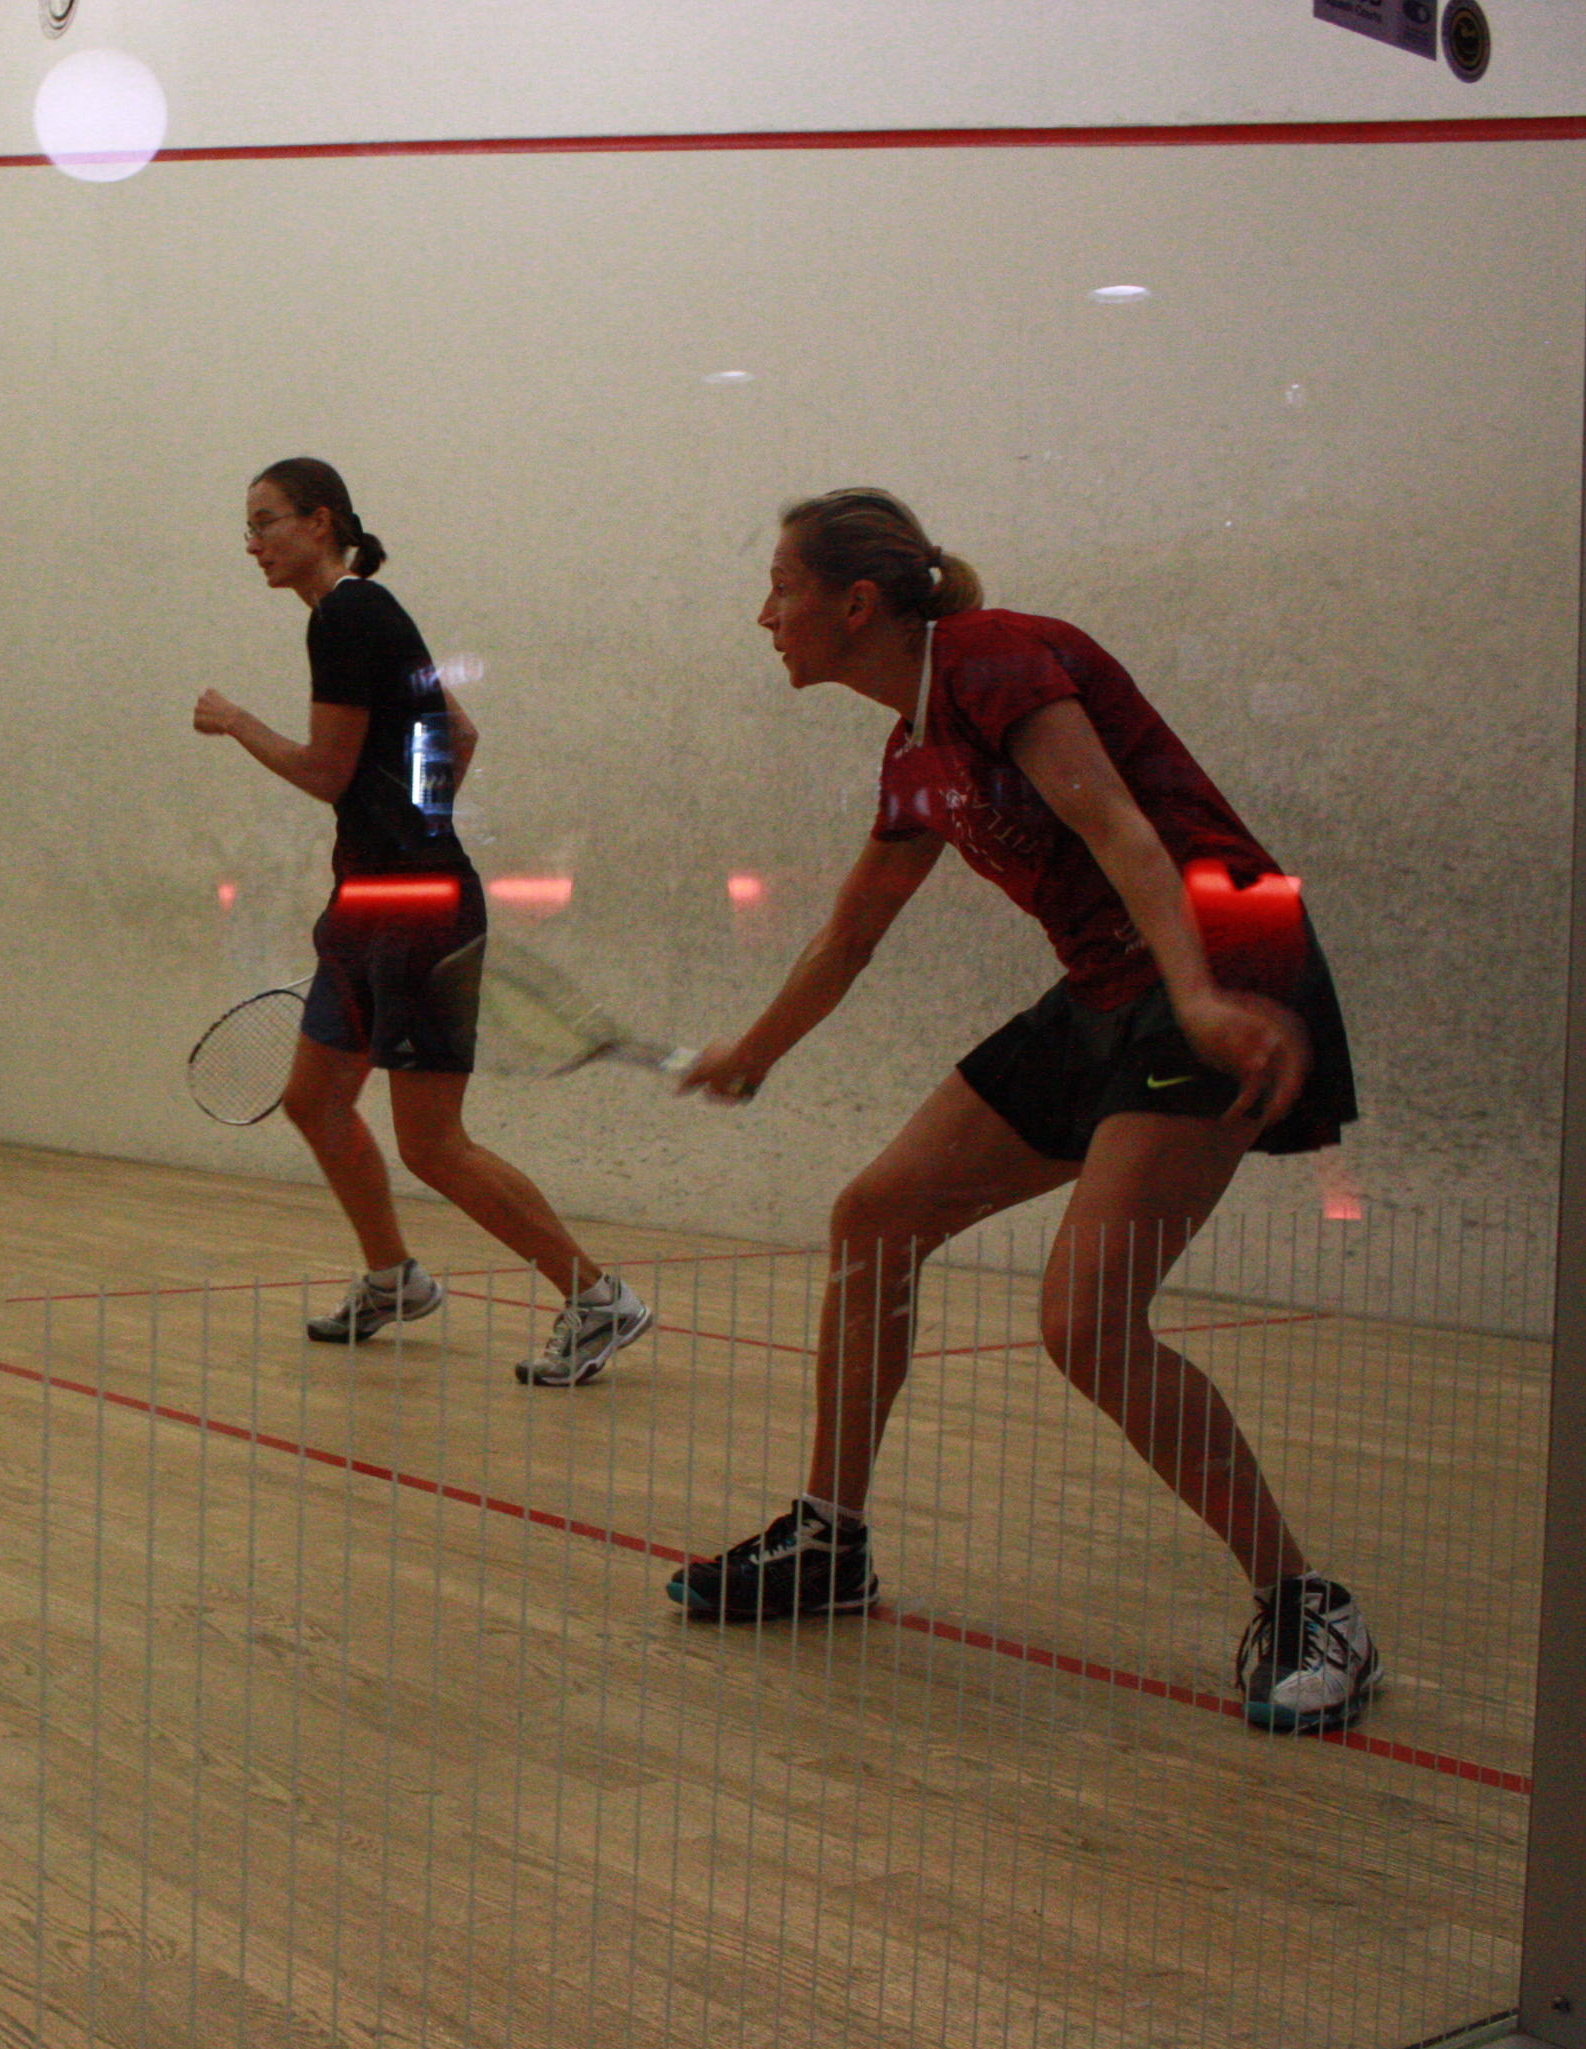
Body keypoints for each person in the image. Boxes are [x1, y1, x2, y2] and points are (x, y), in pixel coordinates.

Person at [671, 486, 1379, 1734]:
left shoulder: (990, 658)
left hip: (1221, 956)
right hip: (1111, 987)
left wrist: (1198, 997)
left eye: (780, 588)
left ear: (856, 602)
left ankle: (1308, 1603)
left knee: (1084, 1322)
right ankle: (829, 1541)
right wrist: (754, 1052)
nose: (762, 615)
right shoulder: (914, 752)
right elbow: (848, 934)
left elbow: (1116, 826)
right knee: (876, 1217)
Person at [193, 457, 652, 1387]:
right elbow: (460, 734)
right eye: (248, 526)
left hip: (413, 914)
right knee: (315, 1101)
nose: (253, 543)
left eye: (266, 521)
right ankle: (393, 1277)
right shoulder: (374, 615)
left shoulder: (346, 615)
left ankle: (598, 1297)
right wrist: (413, 832)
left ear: (321, 521)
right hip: (372, 904)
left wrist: (237, 721)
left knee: (433, 1144)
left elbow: (326, 771)